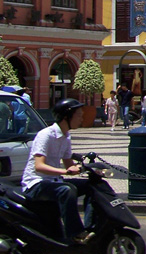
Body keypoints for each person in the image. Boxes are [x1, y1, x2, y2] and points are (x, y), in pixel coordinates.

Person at [21, 98, 94, 245]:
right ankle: (75, 233)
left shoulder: (66, 136)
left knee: (92, 185)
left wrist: (86, 169)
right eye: (78, 115)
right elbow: (39, 166)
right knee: (67, 190)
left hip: (54, 181)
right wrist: (65, 172)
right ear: (66, 117)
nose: (82, 118)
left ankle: (91, 226)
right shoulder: (46, 135)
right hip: (35, 184)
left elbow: (69, 164)